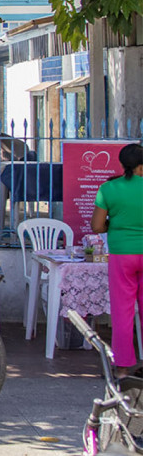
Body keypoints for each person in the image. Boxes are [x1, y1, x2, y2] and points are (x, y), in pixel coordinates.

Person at [92, 143, 143, 379]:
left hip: (122, 255)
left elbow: (97, 226)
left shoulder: (108, 189)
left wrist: (114, 225)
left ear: (122, 164)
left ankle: (122, 369)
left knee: (122, 313)